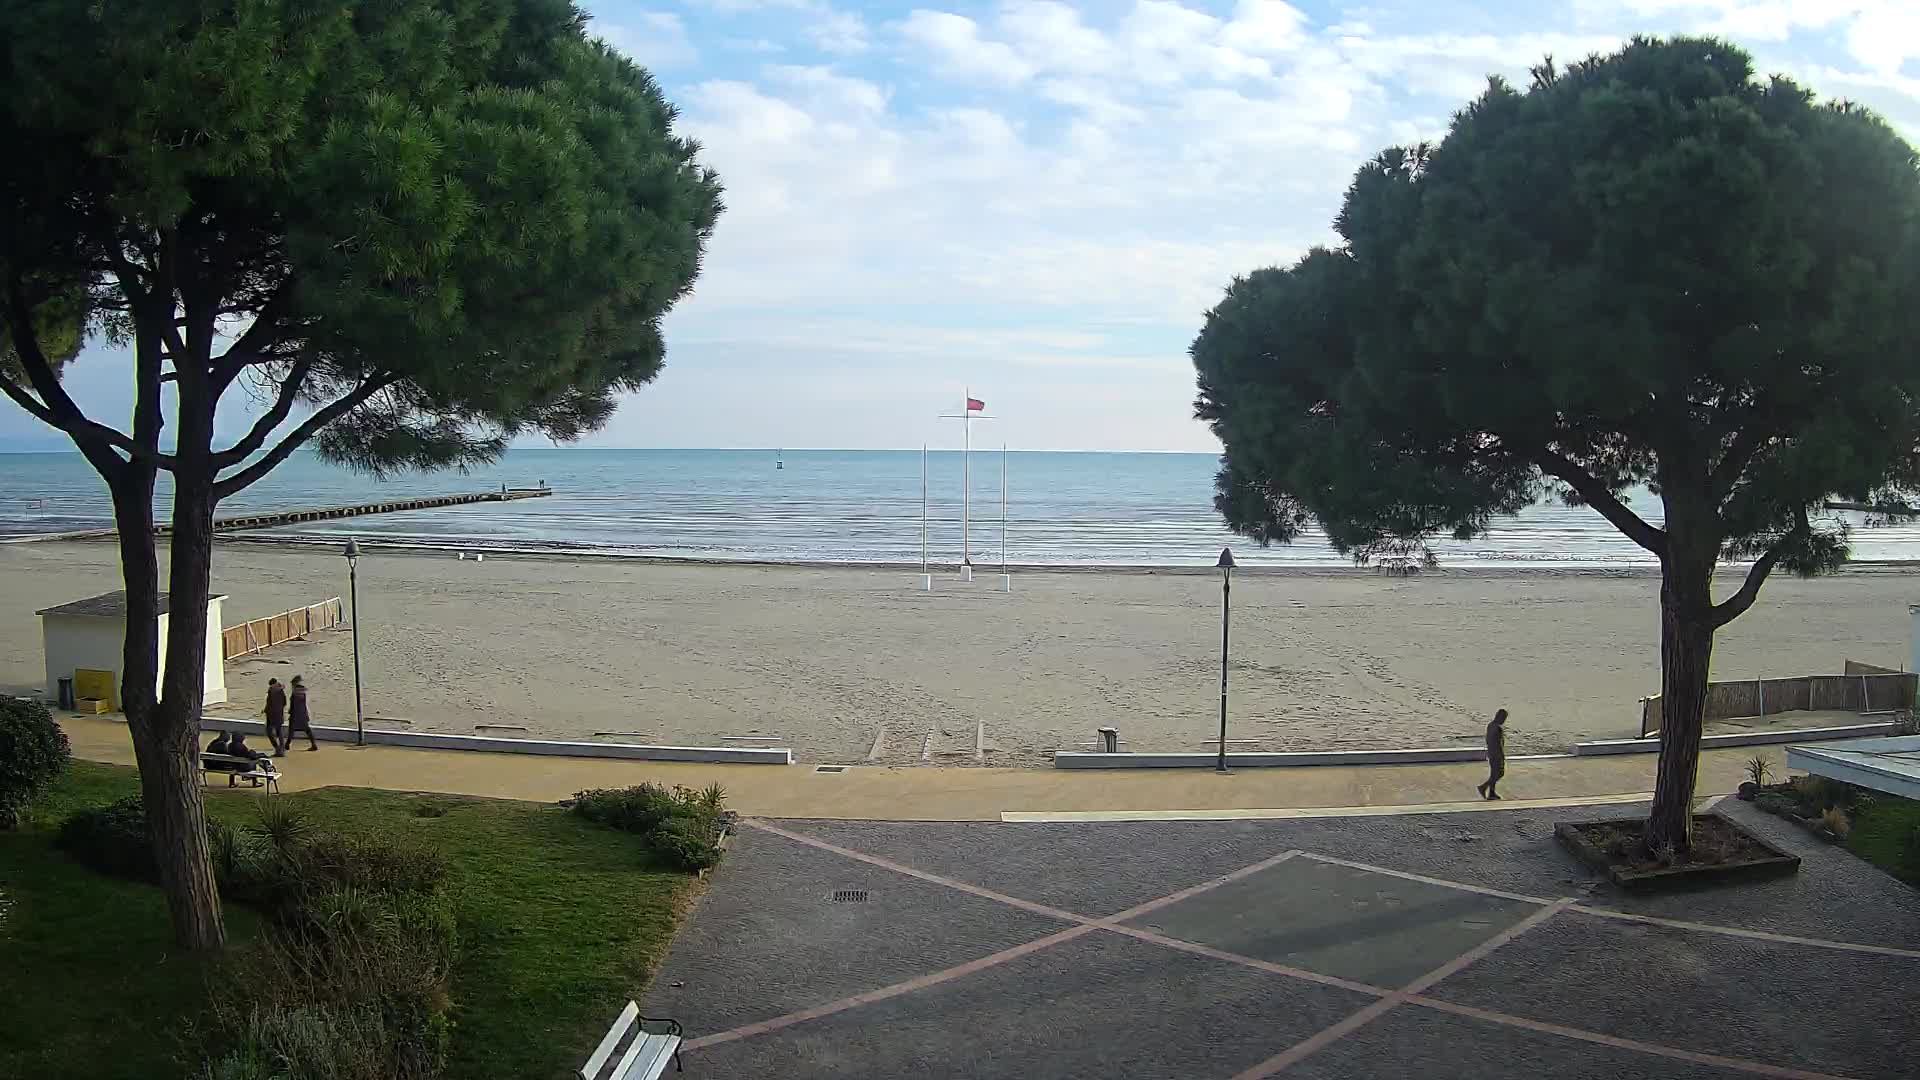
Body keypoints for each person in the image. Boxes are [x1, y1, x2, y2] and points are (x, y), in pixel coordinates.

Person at [1477, 708, 1508, 800]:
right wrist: (1501, 756)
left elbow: (1488, 740)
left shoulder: (1490, 725)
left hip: (1491, 753)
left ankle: (1491, 793)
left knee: (1494, 774)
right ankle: (1483, 787)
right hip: (1496, 754)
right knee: (1499, 773)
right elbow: (1499, 744)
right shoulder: (1498, 728)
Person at [288, 675, 318, 751]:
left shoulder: (295, 692)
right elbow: (302, 703)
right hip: (303, 713)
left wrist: (291, 712)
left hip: (296, 714)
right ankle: (313, 744)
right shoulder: (302, 692)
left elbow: (294, 704)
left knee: (291, 729)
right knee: (307, 729)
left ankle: (287, 745)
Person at [263, 678, 288, 756]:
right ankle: (281, 749)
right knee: (279, 732)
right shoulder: (281, 690)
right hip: (279, 714)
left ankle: (277, 748)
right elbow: (285, 702)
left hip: (271, 715)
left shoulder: (271, 691)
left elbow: (270, 703)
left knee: (269, 732)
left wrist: (266, 710)